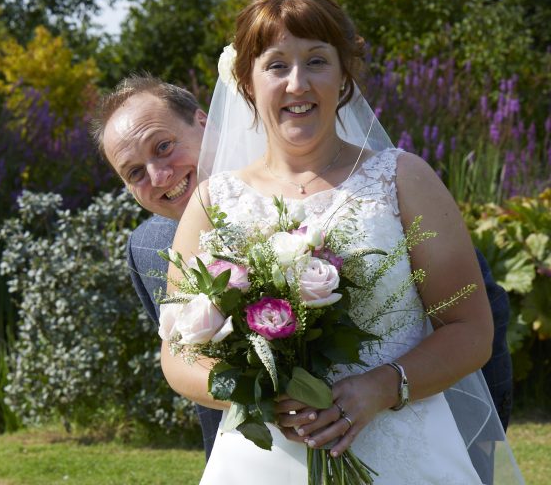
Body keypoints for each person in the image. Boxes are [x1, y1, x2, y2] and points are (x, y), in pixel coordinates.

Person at [160, 0, 522, 484]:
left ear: (344, 74)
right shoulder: (213, 203)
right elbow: (178, 355)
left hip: (402, 447)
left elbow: (471, 330)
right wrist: (259, 393)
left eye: (316, 61)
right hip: (265, 458)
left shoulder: (403, 179)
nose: (297, 84)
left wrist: (382, 387)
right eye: (276, 65)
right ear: (246, 81)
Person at [91, 69, 514, 467]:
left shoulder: (360, 192)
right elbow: (190, 359)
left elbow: (475, 316)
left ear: (204, 122)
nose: (159, 175)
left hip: (409, 437)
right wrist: (258, 401)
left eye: (163, 146)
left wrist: (471, 441)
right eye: (134, 173)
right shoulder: (148, 247)